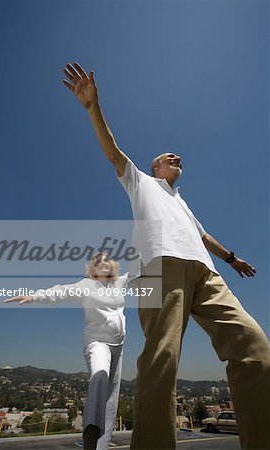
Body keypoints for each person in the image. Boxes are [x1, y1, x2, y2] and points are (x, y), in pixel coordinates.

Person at [62, 62, 270, 450]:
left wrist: (232, 258)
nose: (177, 157)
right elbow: (112, 152)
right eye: (167, 155)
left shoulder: (184, 203)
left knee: (254, 347)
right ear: (155, 166)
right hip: (160, 270)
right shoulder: (140, 181)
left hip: (207, 275)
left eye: (179, 157)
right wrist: (94, 108)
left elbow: (203, 236)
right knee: (163, 360)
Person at [4, 252, 128, 450]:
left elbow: (142, 270)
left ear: (112, 266)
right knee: (99, 377)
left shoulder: (120, 283)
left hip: (118, 346)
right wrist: (34, 296)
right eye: (98, 261)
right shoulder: (86, 286)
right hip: (97, 343)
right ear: (93, 269)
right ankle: (90, 439)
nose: (103, 262)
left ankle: (101, 447)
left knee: (111, 397)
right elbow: (61, 292)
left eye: (106, 260)